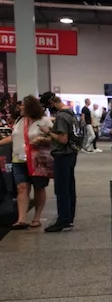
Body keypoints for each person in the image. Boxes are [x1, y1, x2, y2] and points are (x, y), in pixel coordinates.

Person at [0, 95, 51, 229]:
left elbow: (54, 138)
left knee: (39, 187)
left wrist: (41, 140)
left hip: (37, 160)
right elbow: (13, 137)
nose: (20, 107)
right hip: (18, 158)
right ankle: (21, 219)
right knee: (21, 188)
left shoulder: (44, 121)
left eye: (23, 105)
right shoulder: (19, 120)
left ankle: (37, 217)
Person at [44, 93, 81, 232]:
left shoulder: (61, 116)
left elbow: (62, 139)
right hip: (72, 153)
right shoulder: (72, 114)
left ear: (52, 103)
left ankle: (63, 219)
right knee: (70, 186)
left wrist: (48, 132)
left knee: (61, 188)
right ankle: (69, 217)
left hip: (62, 154)